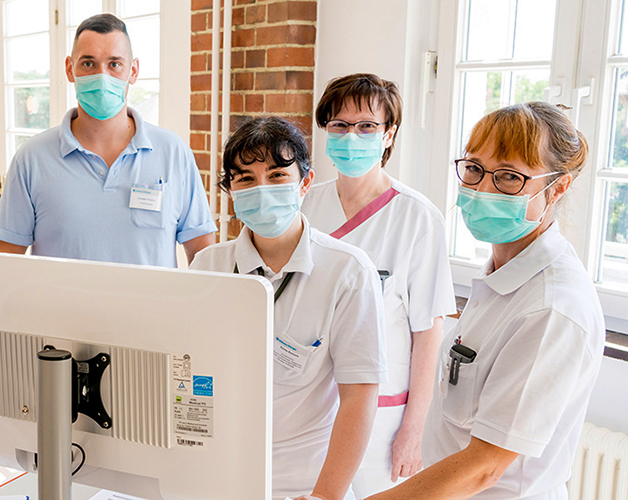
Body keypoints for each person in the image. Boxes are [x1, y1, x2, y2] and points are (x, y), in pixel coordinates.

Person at [366, 102, 604, 500]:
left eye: (509, 177)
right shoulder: (499, 275)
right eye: (474, 169)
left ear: (558, 187)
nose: (482, 189)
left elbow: (485, 467)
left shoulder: (552, 307)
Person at [190, 116, 386, 500]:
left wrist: (325, 495)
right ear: (230, 190)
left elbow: (360, 395)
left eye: (277, 175)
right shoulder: (208, 266)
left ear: (305, 183)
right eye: (245, 179)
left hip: (301, 484)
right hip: (215, 476)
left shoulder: (347, 271)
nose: (261, 189)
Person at [301, 74, 455, 496]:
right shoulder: (305, 204)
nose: (352, 136)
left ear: (389, 136)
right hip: (309, 402)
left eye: (367, 126)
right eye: (339, 125)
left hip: (382, 414)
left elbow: (427, 332)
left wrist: (413, 428)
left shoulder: (418, 218)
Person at [0, 13, 216, 267]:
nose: (102, 76)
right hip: (59, 309)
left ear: (133, 71)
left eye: (114, 64)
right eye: (88, 64)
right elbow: (6, 263)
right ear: (70, 69)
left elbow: (204, 255)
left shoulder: (173, 152)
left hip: (151, 308)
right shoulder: (31, 158)